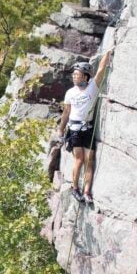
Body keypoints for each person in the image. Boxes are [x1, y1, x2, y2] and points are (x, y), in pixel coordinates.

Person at [56, 48, 113, 205]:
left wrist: (108, 52)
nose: (74, 76)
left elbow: (101, 69)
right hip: (74, 130)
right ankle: (75, 188)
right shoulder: (70, 93)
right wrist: (61, 130)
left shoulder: (92, 87)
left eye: (77, 74)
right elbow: (66, 113)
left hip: (87, 128)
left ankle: (87, 192)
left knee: (89, 160)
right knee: (79, 160)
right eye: (73, 74)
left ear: (85, 76)